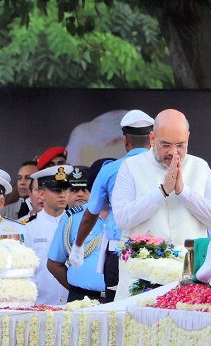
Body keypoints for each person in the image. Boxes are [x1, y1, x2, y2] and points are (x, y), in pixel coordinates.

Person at [109, 109, 211, 299]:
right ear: (152, 138)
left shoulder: (200, 166)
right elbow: (122, 218)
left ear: (188, 138)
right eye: (165, 145)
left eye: (180, 145)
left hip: (186, 280)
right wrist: (162, 192)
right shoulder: (131, 167)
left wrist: (184, 192)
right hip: (141, 281)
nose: (173, 152)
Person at [68, 109, 154, 302]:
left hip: (118, 254)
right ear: (153, 138)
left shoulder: (110, 170)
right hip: (157, 253)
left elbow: (91, 214)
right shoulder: (165, 169)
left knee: (117, 314)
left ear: (125, 141)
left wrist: (78, 246)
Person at [47, 160, 116, 303]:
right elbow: (54, 263)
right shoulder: (73, 217)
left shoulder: (128, 216)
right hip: (82, 299)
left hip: (118, 298)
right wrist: (77, 289)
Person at [24, 166, 72, 305]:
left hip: (73, 304)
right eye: (56, 190)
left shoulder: (77, 224)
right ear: (42, 194)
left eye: (66, 189)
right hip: (39, 305)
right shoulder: (27, 227)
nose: (63, 195)